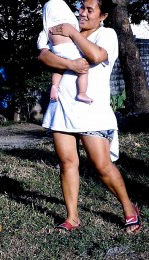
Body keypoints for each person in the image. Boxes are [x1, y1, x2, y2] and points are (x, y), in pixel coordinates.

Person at [38, 0, 141, 233]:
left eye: (89, 10)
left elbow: (95, 56)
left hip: (92, 111)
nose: (82, 13)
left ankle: (128, 208)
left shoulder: (107, 34)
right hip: (62, 107)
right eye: (81, 7)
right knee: (67, 163)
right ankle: (72, 217)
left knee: (102, 165)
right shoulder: (62, 24)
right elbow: (44, 56)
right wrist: (70, 63)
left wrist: (72, 33)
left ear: (102, 15)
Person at [39, 0, 92, 104]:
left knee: (59, 68)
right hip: (69, 49)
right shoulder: (70, 23)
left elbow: (41, 44)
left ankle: (54, 86)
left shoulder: (48, 28)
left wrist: (47, 46)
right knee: (84, 70)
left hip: (56, 50)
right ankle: (82, 92)